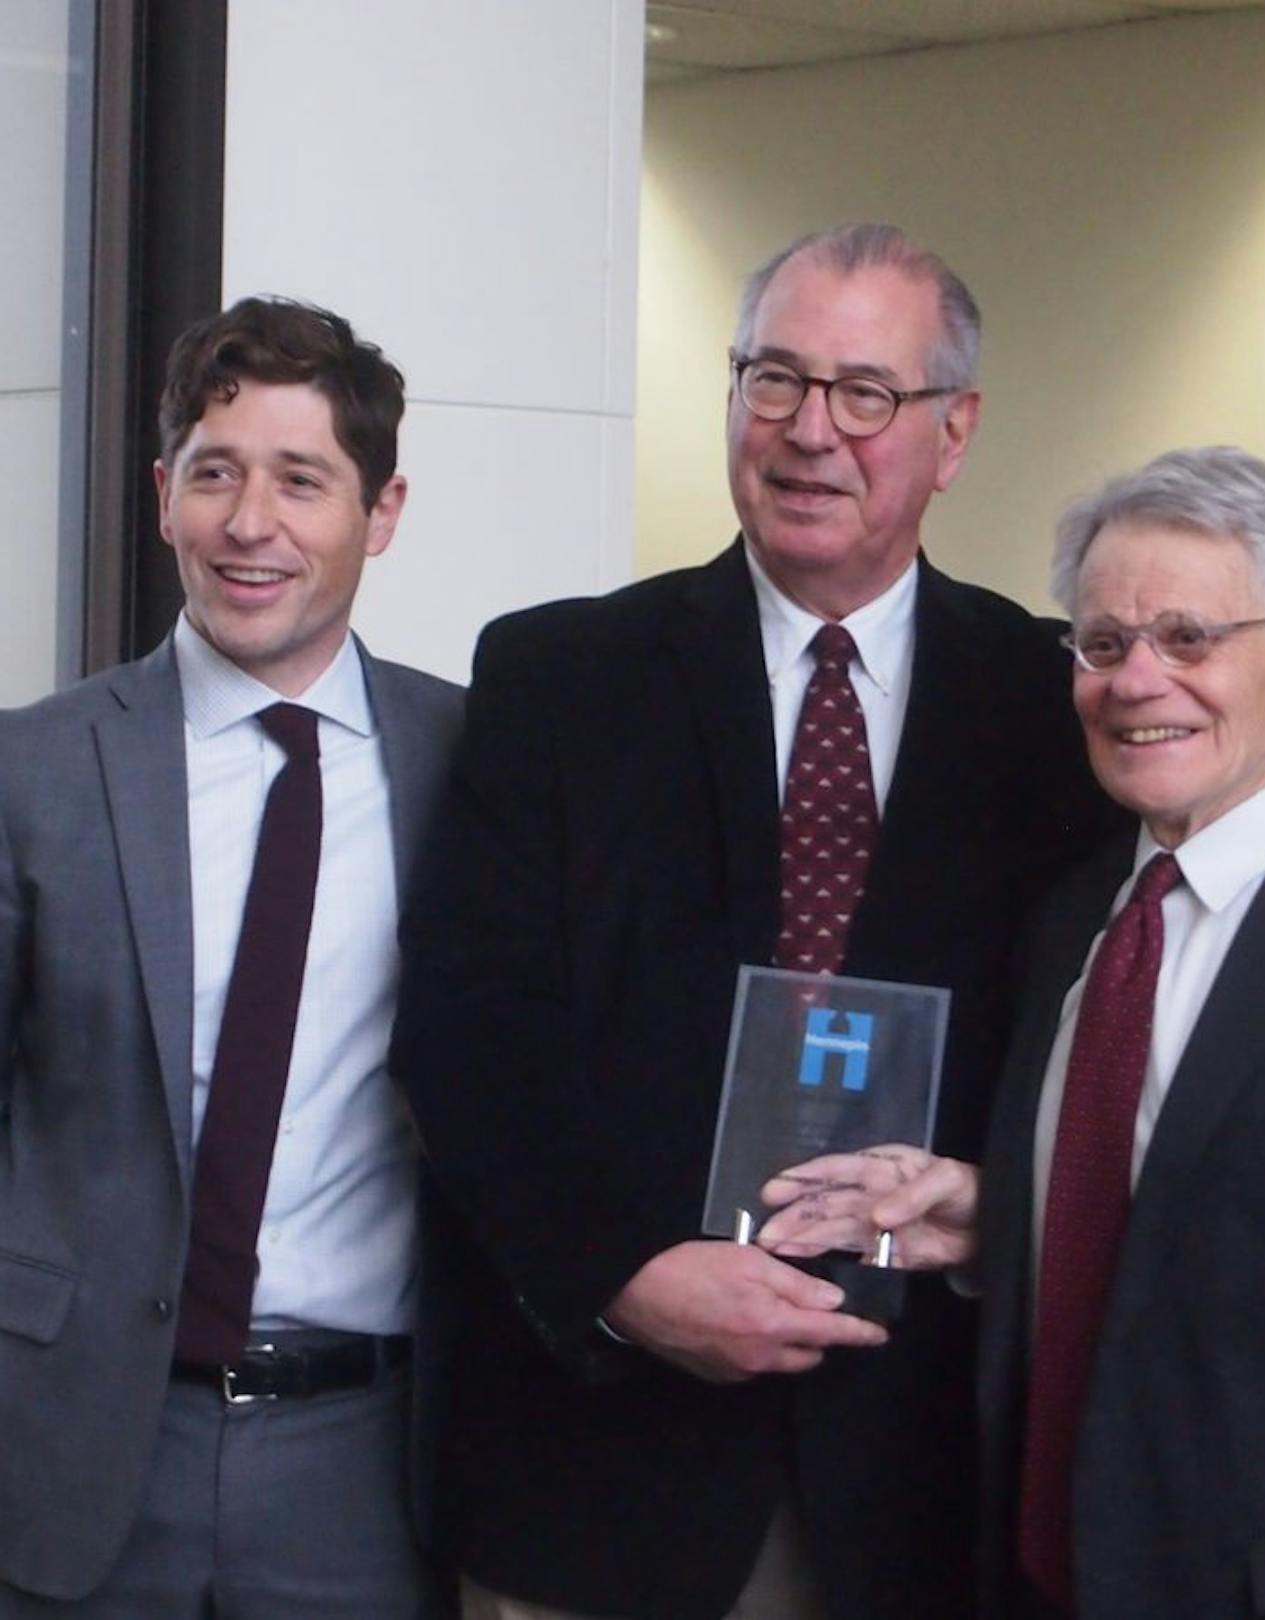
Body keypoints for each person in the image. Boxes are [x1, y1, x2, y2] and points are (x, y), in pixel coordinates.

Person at [389, 224, 1123, 1620]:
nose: (808, 433)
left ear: (954, 430)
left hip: (921, 1485)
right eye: (772, 380)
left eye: (864, 393)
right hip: (599, 1469)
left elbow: (1156, 990)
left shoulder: (1051, 706)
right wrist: (626, 1279)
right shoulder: (563, 677)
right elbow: (468, 1035)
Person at [758, 445, 1265, 1620]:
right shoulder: (1070, 922)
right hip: (1021, 1573)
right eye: (1105, 643)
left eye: (1190, 638)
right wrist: (991, 1224)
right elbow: (1161, 1236)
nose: (1137, 680)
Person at [0, 297, 461, 1618]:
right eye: (215, 474)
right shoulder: (27, 766)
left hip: (363, 1458)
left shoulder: (466, 761)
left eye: (302, 481)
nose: (253, 524)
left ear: (384, 509)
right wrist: (94, 1243)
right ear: (163, 496)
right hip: (85, 1438)